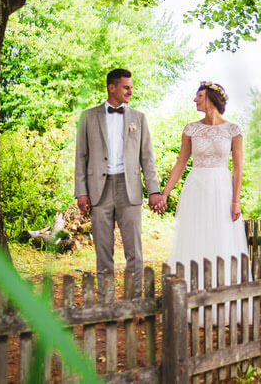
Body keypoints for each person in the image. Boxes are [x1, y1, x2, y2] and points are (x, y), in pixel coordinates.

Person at [75, 68, 164, 300]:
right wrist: (81, 193)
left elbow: (147, 158)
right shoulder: (88, 117)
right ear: (111, 87)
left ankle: (135, 301)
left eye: (131, 87)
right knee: (103, 252)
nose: (130, 92)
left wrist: (154, 190)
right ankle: (107, 302)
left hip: (130, 189)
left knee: (134, 250)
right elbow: (81, 157)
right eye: (126, 87)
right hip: (98, 192)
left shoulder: (139, 118)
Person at [159, 81, 249, 282]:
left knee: (221, 233)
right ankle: (193, 285)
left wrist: (236, 201)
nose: (195, 100)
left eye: (199, 96)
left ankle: (222, 284)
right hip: (196, 186)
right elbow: (180, 164)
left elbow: (237, 169)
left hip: (222, 187)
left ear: (211, 98)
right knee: (195, 233)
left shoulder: (233, 130)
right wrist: (165, 193)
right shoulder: (191, 129)